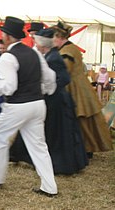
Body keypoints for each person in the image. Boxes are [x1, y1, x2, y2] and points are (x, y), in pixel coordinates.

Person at [0, 16, 58, 197]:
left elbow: (9, 87)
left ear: (7, 36)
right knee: (39, 146)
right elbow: (50, 78)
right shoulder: (35, 53)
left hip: (18, 105)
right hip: (38, 104)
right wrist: (44, 92)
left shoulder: (8, 58)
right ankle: (50, 187)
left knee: (0, 138)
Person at [9, 28, 88, 175]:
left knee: (56, 134)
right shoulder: (49, 56)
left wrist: (49, 89)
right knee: (49, 133)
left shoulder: (54, 57)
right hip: (52, 100)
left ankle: (59, 165)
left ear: (43, 45)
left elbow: (64, 78)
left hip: (56, 101)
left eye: (37, 42)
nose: (36, 45)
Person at [52, 21, 113, 158]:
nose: (52, 40)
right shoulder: (68, 48)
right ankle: (85, 148)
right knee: (83, 121)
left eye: (54, 37)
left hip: (76, 88)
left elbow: (64, 70)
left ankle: (85, 149)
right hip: (79, 86)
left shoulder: (67, 50)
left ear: (60, 37)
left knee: (82, 120)